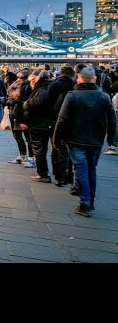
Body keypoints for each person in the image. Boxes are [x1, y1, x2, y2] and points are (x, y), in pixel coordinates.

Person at [53, 66, 116, 217]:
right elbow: (113, 120)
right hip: (96, 139)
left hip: (76, 139)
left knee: (80, 170)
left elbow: (62, 119)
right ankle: (90, 202)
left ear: (78, 78)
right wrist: (111, 139)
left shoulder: (72, 95)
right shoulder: (104, 96)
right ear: (94, 78)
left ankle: (85, 204)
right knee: (91, 170)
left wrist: (56, 139)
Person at [23, 70, 55, 183]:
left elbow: (36, 103)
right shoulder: (51, 87)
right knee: (50, 149)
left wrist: (26, 104)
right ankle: (58, 175)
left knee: (39, 150)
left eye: (33, 80)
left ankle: (43, 174)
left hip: (39, 124)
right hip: (49, 123)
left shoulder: (42, 90)